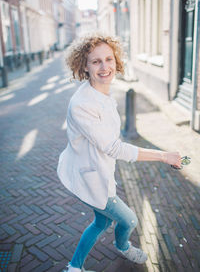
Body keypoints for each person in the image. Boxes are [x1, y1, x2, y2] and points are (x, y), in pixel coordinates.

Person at [57, 34, 181, 272]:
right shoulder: (83, 103)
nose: (105, 67)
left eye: (109, 59)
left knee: (102, 222)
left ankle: (74, 267)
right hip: (88, 177)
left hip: (94, 169)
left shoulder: (99, 90)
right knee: (130, 219)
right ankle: (122, 246)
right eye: (96, 62)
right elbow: (113, 147)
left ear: (116, 60)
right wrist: (164, 156)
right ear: (84, 65)